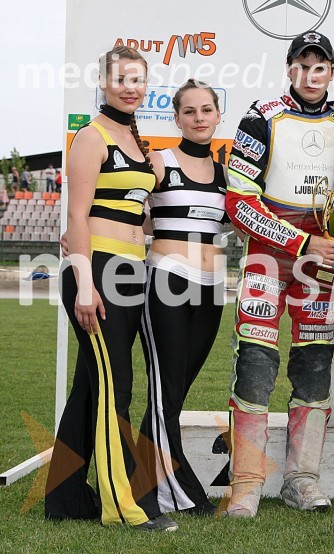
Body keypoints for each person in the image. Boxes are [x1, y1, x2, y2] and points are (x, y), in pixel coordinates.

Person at [223, 31, 334, 517]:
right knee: (255, 365)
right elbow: (239, 201)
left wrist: (330, 251)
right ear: (289, 69)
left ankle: (302, 480)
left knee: (314, 365)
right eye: (302, 66)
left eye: (319, 67)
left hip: (321, 262)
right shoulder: (260, 117)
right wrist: (300, 242)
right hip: (269, 255)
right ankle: (245, 485)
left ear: (331, 72)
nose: (310, 75)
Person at [45, 46, 177, 531]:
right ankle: (124, 506)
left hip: (131, 272)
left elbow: (137, 214)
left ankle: (64, 500)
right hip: (97, 275)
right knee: (114, 386)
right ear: (103, 82)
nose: (130, 87)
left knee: (90, 386)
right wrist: (84, 283)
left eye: (137, 80)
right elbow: (77, 216)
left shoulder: (137, 142)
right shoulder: (91, 136)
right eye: (120, 79)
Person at [137, 79, 227, 517]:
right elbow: (126, 212)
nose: (199, 118)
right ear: (176, 118)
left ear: (218, 115)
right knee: (165, 392)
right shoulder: (160, 161)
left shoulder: (228, 173)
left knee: (172, 394)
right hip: (166, 283)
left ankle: (140, 479)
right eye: (189, 111)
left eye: (206, 110)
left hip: (212, 289)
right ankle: (180, 490)